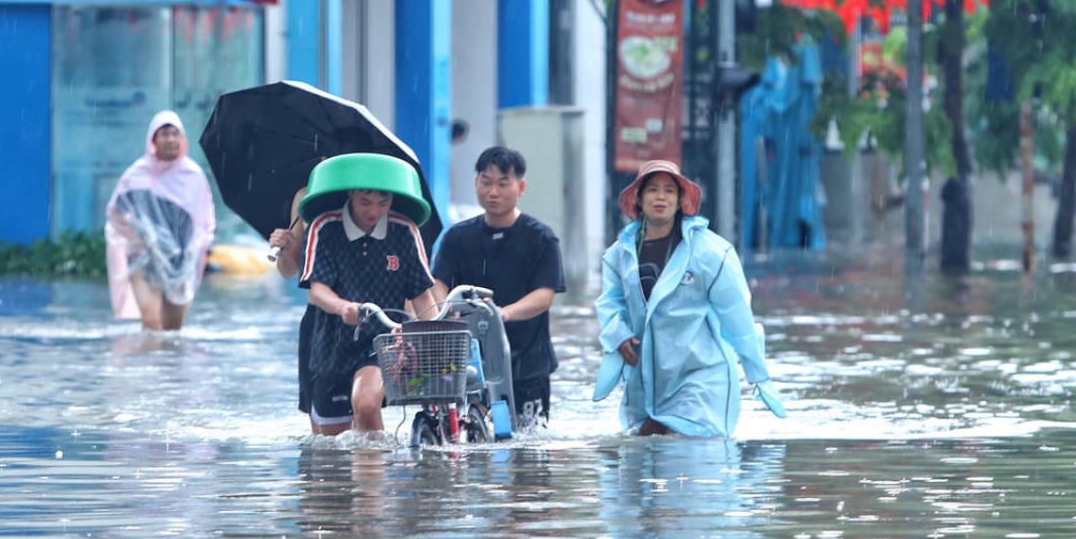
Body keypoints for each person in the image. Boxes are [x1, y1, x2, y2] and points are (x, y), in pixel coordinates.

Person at [594, 159, 785, 437]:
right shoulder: (618, 255)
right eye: (653, 190)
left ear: (680, 200)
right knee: (644, 453)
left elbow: (737, 316)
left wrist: (758, 375)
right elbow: (611, 303)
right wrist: (617, 334)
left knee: (690, 455)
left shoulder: (710, 253)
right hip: (649, 377)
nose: (661, 197)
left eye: (669, 190)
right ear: (639, 198)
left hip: (700, 375)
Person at [432, 146, 565, 427]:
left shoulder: (541, 238)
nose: (493, 192)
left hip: (527, 361)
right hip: (470, 360)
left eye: (503, 184)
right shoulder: (457, 237)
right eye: (486, 182)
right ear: (475, 183)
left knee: (528, 451)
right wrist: (445, 312)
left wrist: (503, 314)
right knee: (472, 436)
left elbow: (544, 295)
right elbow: (438, 284)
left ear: (521, 187)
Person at [299, 188, 438, 435]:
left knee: (365, 403)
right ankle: (367, 470)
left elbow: (421, 294)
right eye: (365, 202)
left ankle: (376, 469)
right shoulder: (325, 226)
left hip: (384, 341)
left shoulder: (404, 229)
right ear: (351, 194)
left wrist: (436, 340)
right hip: (333, 343)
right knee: (333, 446)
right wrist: (343, 306)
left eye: (383, 203)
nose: (374, 211)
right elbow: (316, 291)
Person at [105, 110, 215, 331]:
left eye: (175, 133)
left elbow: (205, 220)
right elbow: (116, 214)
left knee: (173, 329)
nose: (171, 139)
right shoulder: (136, 175)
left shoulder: (193, 175)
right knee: (152, 321)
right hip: (144, 259)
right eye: (165, 134)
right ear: (153, 139)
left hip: (181, 259)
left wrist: (200, 246)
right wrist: (138, 236)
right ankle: (146, 365)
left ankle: (170, 366)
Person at [267, 187, 318, 430]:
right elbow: (289, 270)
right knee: (321, 429)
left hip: (366, 315)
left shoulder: (380, 190)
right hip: (319, 319)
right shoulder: (306, 194)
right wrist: (284, 250)